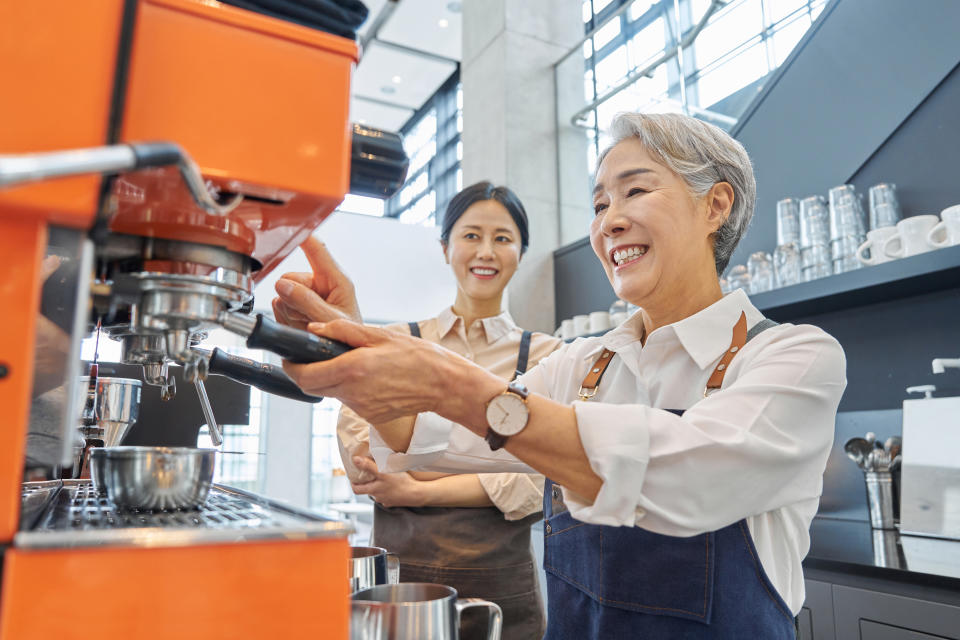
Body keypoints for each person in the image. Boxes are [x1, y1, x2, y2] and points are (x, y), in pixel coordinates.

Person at [279, 112, 847, 639]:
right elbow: (437, 438)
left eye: (636, 190)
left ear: (715, 206)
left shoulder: (793, 357)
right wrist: (349, 345)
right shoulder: (585, 364)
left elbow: (688, 477)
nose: (610, 221)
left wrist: (451, 383)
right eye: (600, 205)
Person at [273, 182, 561, 640]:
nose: (486, 251)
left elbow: (543, 477)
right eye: (471, 236)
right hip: (400, 586)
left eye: (503, 238)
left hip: (504, 592)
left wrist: (417, 485)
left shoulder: (548, 355)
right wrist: (486, 470)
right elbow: (362, 461)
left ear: (521, 252)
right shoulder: (397, 340)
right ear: (445, 247)